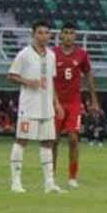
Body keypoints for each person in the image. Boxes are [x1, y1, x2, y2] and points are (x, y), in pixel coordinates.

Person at [7, 20, 64, 194]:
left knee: (47, 142)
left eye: (47, 33)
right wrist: (27, 81)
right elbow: (10, 75)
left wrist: (56, 102)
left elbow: (51, 81)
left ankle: (49, 183)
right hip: (29, 106)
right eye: (40, 32)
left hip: (46, 106)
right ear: (33, 34)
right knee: (22, 140)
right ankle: (16, 181)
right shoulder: (24, 54)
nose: (44, 36)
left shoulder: (51, 55)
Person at [52, 23, 99, 188]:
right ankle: (51, 176)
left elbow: (88, 75)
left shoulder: (82, 54)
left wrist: (94, 100)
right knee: (54, 140)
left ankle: (72, 176)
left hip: (74, 102)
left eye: (72, 33)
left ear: (75, 36)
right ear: (60, 36)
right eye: (65, 33)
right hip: (56, 102)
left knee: (73, 138)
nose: (68, 36)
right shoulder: (52, 54)